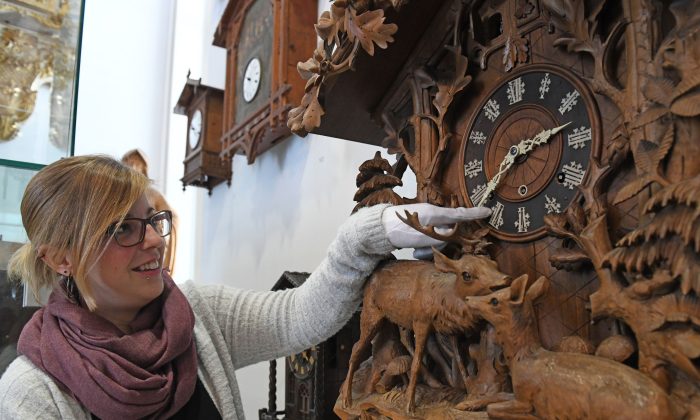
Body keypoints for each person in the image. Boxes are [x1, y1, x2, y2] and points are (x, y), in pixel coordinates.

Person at [0, 155, 490, 419]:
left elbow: (300, 315)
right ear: (60, 257)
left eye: (152, 220)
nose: (152, 241)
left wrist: (375, 228)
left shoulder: (194, 313)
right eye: (122, 229)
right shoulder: (34, 394)